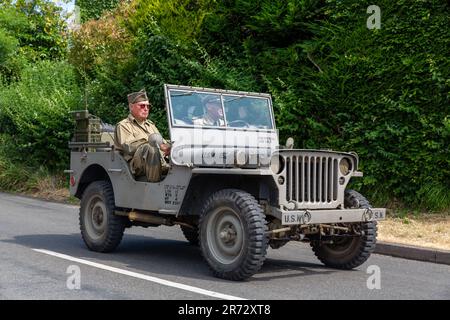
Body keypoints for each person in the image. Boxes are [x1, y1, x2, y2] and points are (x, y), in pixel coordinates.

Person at [114, 89, 171, 182]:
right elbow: (129, 147)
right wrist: (156, 144)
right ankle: (154, 184)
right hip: (135, 164)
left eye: (148, 106)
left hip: (157, 160)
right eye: (142, 106)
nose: (146, 109)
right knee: (150, 147)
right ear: (131, 107)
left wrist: (169, 146)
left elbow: (162, 142)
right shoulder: (123, 125)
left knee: (178, 147)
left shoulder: (150, 124)